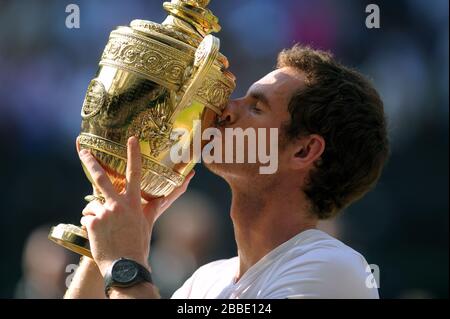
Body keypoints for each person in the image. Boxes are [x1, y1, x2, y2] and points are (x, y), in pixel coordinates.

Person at [65, 45, 389, 299]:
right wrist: (107, 240)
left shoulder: (333, 268)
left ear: (303, 151)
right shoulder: (207, 280)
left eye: (255, 107)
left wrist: (124, 263)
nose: (225, 110)